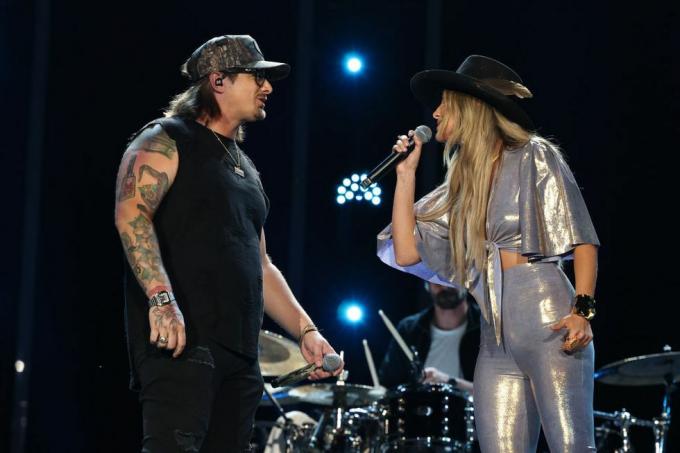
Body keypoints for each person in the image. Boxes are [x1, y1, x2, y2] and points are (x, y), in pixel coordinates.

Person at [114, 35, 342, 452]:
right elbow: (132, 214)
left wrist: (306, 330)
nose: (267, 87)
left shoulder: (245, 169)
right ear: (218, 82)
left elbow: (261, 264)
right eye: (256, 77)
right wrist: (161, 300)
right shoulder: (166, 138)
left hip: (240, 353)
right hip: (185, 342)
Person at [377, 55, 600, 452]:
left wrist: (582, 311)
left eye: (445, 103)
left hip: (550, 319)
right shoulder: (462, 182)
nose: (436, 112)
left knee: (572, 447)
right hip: (494, 337)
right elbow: (407, 250)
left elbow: (582, 239)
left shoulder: (534, 154)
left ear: (470, 107)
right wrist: (406, 176)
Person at [378, 283, 479, 393]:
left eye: (450, 276)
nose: (444, 285)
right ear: (426, 283)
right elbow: (388, 386)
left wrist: (449, 381)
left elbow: (497, 395)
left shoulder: (491, 328)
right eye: (436, 278)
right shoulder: (409, 329)